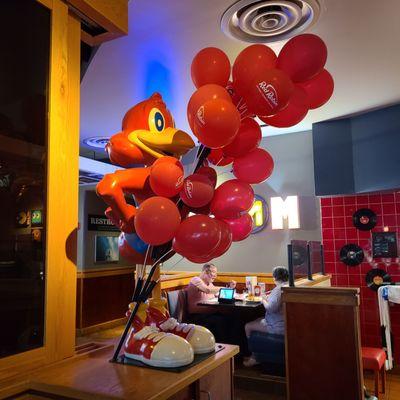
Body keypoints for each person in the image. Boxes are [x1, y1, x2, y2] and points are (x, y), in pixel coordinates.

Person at [243, 266, 289, 367]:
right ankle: (256, 355)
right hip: (286, 324)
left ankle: (254, 357)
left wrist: (263, 299)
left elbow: (270, 308)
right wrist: (267, 297)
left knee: (247, 326)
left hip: (277, 327)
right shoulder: (288, 286)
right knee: (258, 319)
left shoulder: (278, 290)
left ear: (275, 277)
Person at [186, 263, 239, 345]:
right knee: (221, 321)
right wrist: (224, 288)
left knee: (234, 318)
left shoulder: (209, 283)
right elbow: (207, 290)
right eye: (213, 272)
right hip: (197, 316)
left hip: (210, 314)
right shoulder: (196, 280)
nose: (215, 276)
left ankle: (235, 351)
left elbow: (218, 294)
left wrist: (230, 289)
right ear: (205, 272)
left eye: (216, 273)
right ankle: (222, 348)